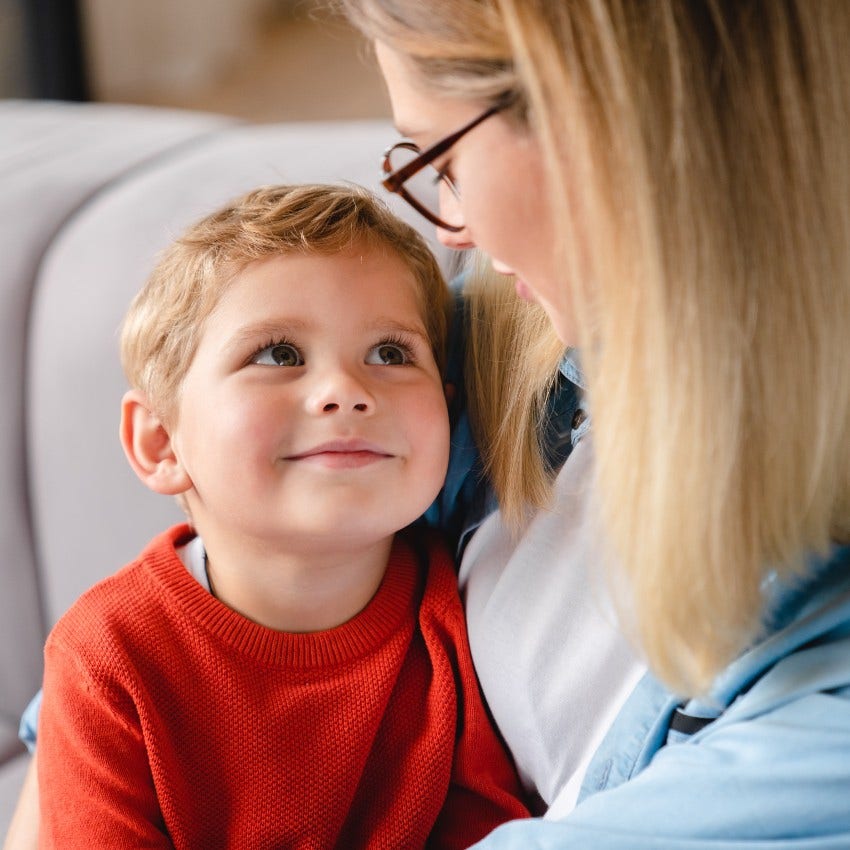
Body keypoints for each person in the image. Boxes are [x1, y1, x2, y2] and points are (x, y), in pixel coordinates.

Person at [331, 0, 850, 847]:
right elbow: (209, 591)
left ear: (607, 120)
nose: (452, 226)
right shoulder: (516, 335)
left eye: (447, 157)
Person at [32, 183, 530, 849]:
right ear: (160, 441)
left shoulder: (463, 615)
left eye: (389, 353)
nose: (347, 392)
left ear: (447, 410)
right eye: (279, 355)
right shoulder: (107, 659)